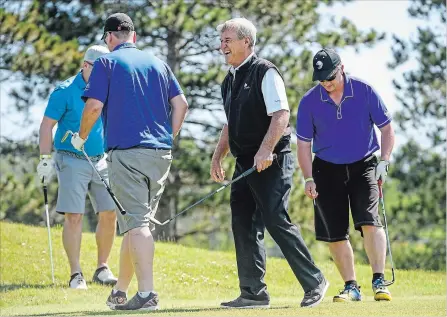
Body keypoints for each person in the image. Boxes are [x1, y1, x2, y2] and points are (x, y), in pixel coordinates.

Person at [70, 13, 189, 311]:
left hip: (127, 154)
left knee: (136, 225)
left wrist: (81, 138)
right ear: (133, 36)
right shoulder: (159, 63)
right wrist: (168, 137)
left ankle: (147, 294)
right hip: (160, 154)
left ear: (110, 37)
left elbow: (94, 106)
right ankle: (120, 292)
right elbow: (181, 104)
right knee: (135, 222)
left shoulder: (106, 62)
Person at [211, 18, 329, 309]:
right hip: (245, 164)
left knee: (276, 220)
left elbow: (281, 116)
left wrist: (265, 150)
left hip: (272, 160)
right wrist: (218, 156)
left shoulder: (265, 71)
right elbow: (231, 124)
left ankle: (315, 281)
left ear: (246, 42)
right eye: (221, 40)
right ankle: (253, 293)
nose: (222, 45)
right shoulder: (229, 79)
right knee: (242, 224)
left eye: (228, 39)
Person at [296, 48, 395, 302]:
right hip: (326, 169)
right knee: (334, 232)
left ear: (341, 68)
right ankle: (351, 287)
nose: (326, 82)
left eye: (329, 76)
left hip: (364, 165)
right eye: (321, 78)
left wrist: (384, 160)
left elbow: (386, 129)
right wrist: (308, 178)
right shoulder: (309, 101)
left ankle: (379, 281)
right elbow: (304, 145)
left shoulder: (364, 90)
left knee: (370, 221)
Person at [37, 45, 118, 290]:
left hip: (100, 159)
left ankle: (102, 268)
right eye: (99, 68)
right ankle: (76, 274)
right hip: (71, 158)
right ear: (85, 65)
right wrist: (44, 158)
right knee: (74, 216)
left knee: (109, 212)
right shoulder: (64, 91)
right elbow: (46, 126)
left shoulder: (109, 89)